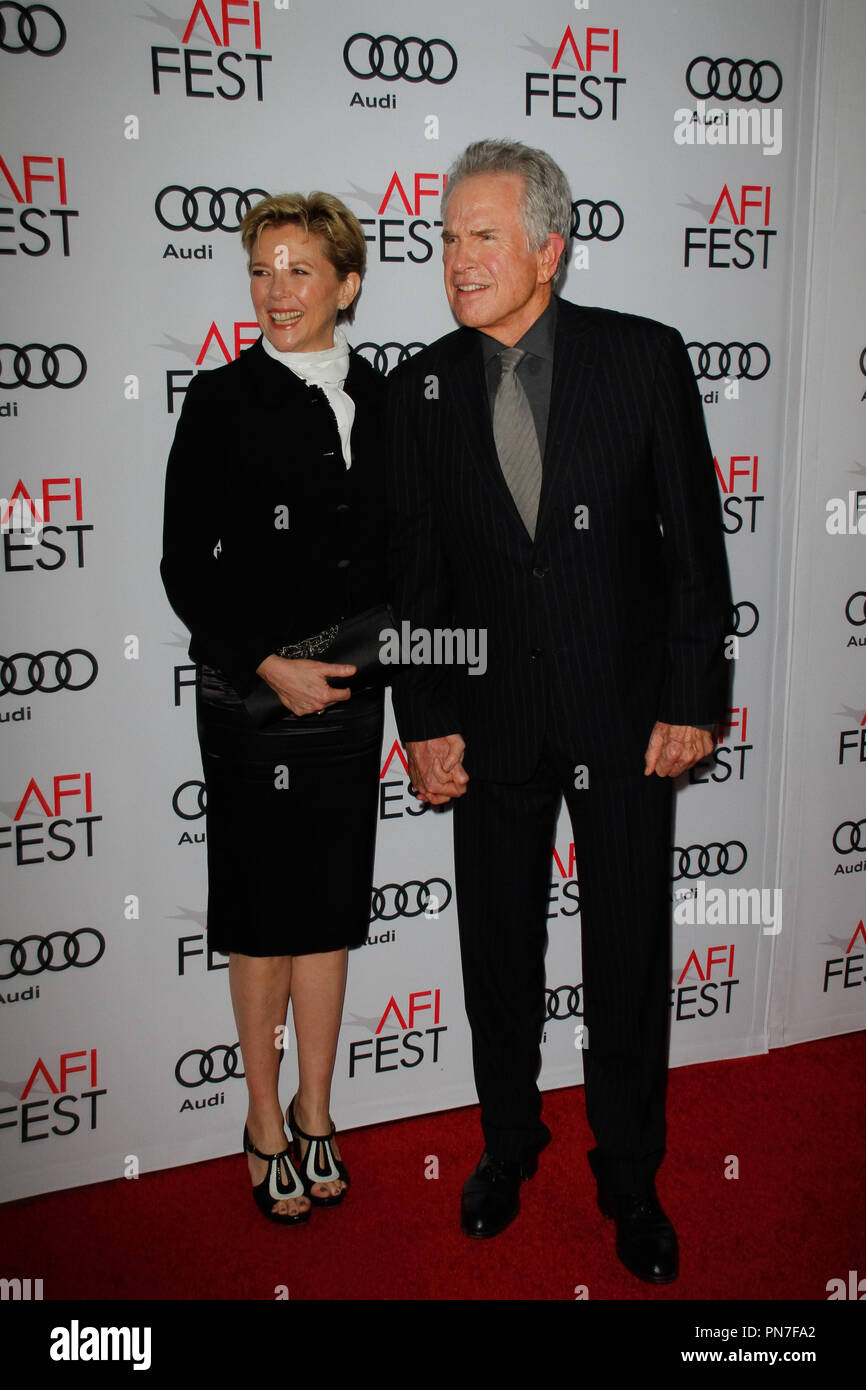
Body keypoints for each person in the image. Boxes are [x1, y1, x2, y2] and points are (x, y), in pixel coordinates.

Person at [386, 140, 731, 1281]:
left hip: (625, 718)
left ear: (548, 246)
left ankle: (629, 1177)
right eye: (445, 237)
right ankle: (507, 1143)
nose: (458, 258)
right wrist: (424, 719)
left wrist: (692, 697)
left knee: (626, 951)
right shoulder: (420, 388)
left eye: (482, 235)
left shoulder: (641, 360)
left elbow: (692, 549)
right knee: (495, 952)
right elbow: (413, 582)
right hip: (487, 732)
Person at [162, 192, 387, 1224]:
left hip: (350, 689)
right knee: (260, 910)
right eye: (261, 269)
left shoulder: (387, 399)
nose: (276, 291)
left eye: (300, 270)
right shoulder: (220, 399)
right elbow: (182, 565)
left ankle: (316, 1109)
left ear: (345, 285)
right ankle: (260, 1118)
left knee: (330, 907)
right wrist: (264, 662)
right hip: (249, 694)